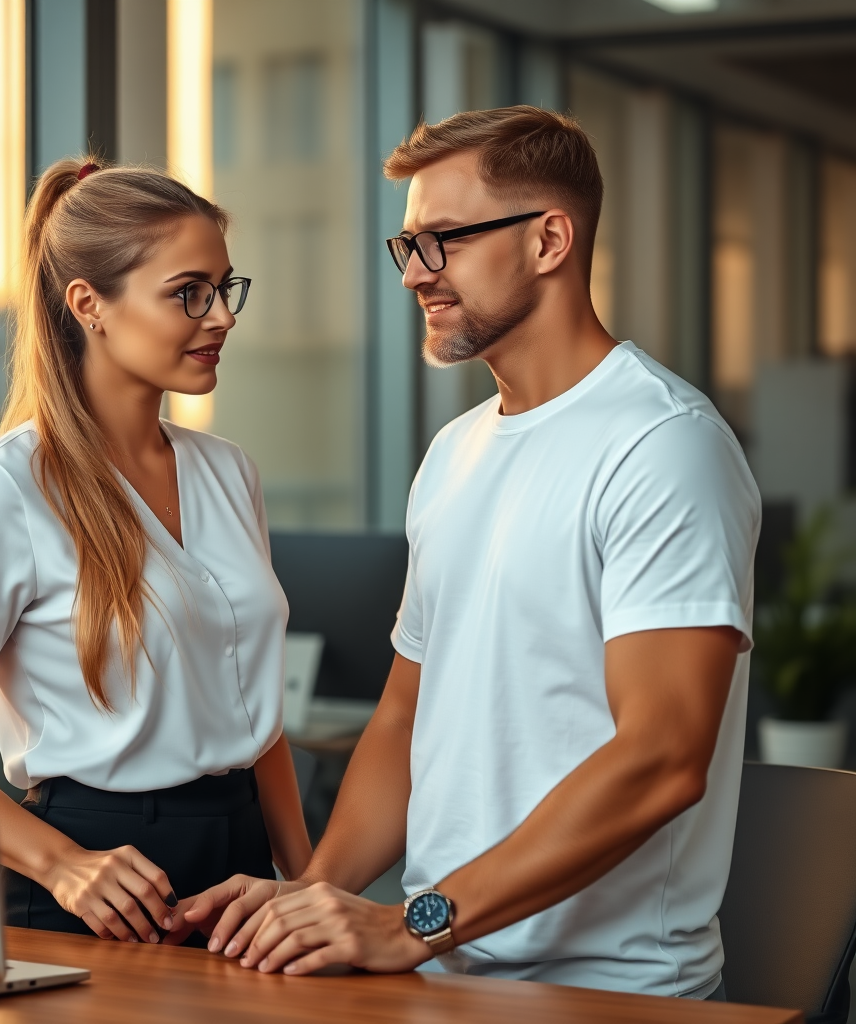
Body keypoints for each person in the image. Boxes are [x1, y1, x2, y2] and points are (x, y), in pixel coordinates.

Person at [170, 106, 761, 1000]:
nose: (416, 275)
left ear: (549, 240)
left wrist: (413, 923)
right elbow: (406, 717)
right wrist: (309, 900)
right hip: (444, 979)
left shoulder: (663, 446)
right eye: (406, 246)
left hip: (612, 995)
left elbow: (663, 756)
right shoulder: (454, 454)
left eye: (442, 241)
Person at [0, 158, 311, 947]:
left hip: (243, 870)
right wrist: (60, 864)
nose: (219, 316)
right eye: (189, 292)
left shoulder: (228, 471)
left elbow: (259, 722)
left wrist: (310, 884)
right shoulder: (6, 490)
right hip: (94, 883)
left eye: (226, 289)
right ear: (90, 305)